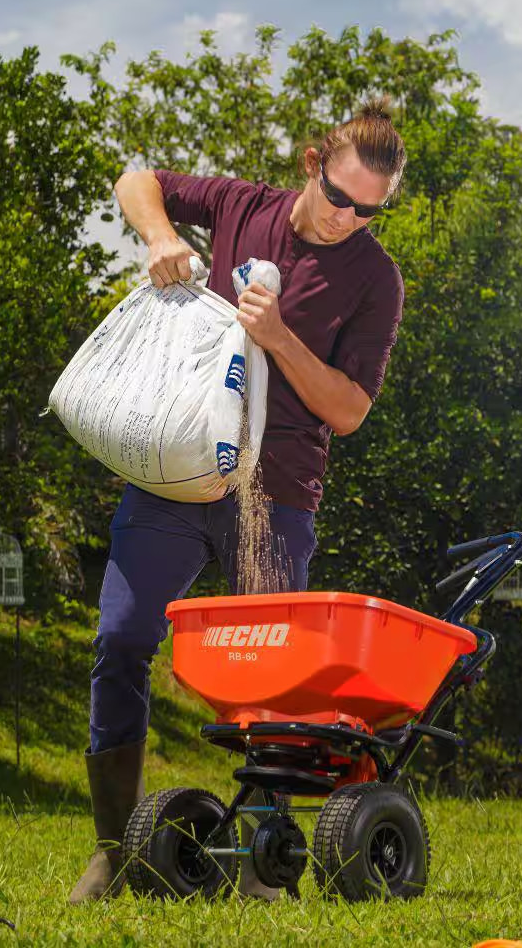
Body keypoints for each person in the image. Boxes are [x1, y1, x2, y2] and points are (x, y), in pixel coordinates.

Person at [68, 101, 407, 904]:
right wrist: (160, 238)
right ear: (311, 162)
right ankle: (115, 852)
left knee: (275, 683)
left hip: (278, 491)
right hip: (179, 474)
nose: (346, 218)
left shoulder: (374, 279)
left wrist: (282, 335)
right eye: (338, 195)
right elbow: (137, 178)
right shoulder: (239, 206)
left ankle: (263, 863)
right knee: (120, 639)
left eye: (368, 210)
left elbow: (351, 411)